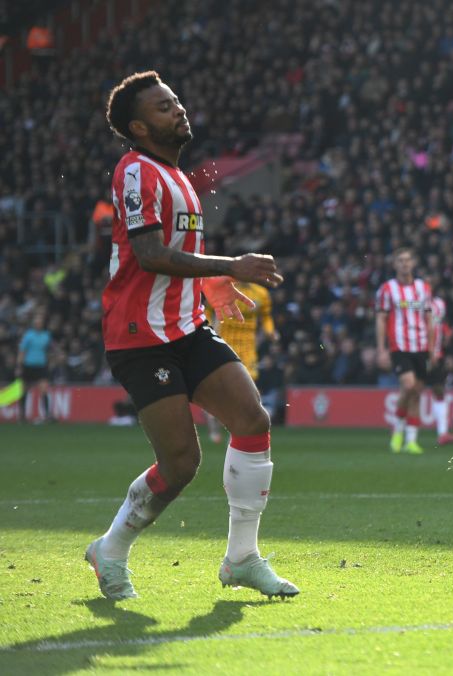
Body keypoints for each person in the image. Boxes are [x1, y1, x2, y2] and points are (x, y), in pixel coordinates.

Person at [85, 71, 298, 600]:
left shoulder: (179, 177)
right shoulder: (135, 170)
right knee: (181, 463)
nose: (178, 109)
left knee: (252, 420)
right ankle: (110, 549)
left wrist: (212, 284)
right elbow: (151, 254)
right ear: (138, 126)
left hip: (186, 325)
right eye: (163, 107)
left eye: (176, 99)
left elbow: (172, 260)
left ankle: (242, 558)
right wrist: (234, 263)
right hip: (140, 336)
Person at [204, 281, 278, 443]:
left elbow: (266, 317)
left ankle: (241, 428)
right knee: (219, 392)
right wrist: (208, 329)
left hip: (248, 348)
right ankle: (215, 428)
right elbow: (207, 312)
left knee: (250, 391)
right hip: (223, 345)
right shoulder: (222, 288)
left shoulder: (261, 293)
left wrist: (270, 332)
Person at [376, 247, 433, 454]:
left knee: (416, 392)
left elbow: (429, 318)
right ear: (395, 264)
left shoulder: (423, 288)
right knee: (408, 386)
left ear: (413, 263)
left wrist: (433, 348)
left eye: (408, 260)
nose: (404, 264)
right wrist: (381, 349)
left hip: (421, 345)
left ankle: (411, 441)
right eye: (400, 261)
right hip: (399, 346)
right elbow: (381, 319)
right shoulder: (387, 289)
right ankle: (398, 430)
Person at [427, 285, 453, 445]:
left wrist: (447, 333)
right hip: (419, 353)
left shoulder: (439, 304)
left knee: (439, 390)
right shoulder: (415, 305)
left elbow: (441, 324)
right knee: (412, 391)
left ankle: (443, 434)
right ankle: (400, 432)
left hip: (437, 355)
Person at [16, 313, 52, 423]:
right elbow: (22, 351)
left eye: (40, 322)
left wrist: (49, 362)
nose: (38, 324)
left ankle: (46, 416)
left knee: (44, 389)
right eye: (36, 322)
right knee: (24, 390)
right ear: (34, 324)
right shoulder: (28, 335)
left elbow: (48, 351)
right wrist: (19, 366)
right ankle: (22, 416)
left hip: (41, 366)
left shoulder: (47, 335)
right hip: (28, 366)